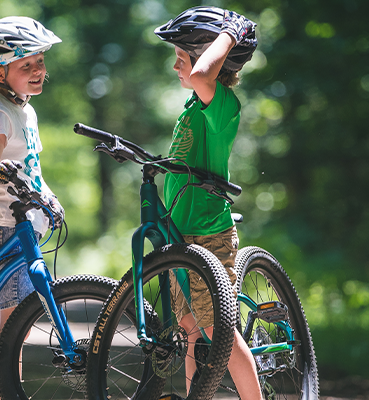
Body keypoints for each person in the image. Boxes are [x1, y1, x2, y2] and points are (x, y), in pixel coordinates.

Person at [154, 6, 265, 400]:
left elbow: (202, 75)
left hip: (207, 234)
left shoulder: (222, 105)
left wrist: (230, 34)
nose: (175, 67)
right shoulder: (192, 108)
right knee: (189, 328)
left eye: (181, 58)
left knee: (220, 332)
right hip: (180, 232)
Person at [0, 16, 64, 400]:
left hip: (25, 226)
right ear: (0, 71)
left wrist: (49, 198)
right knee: (14, 332)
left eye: (40, 62)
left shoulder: (23, 108)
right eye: (27, 65)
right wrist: (0, 173)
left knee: (16, 332)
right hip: (6, 228)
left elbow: (32, 171)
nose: (38, 71)